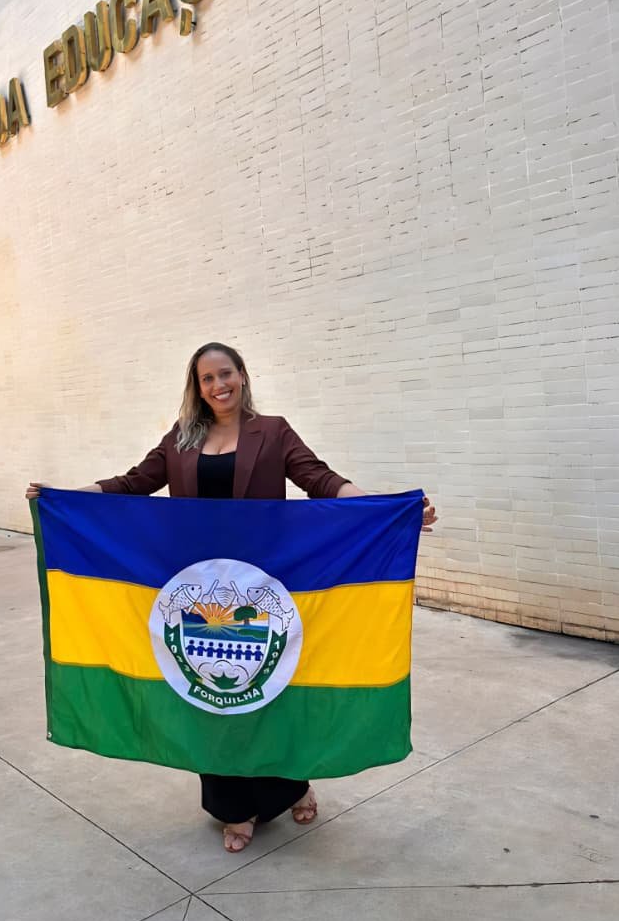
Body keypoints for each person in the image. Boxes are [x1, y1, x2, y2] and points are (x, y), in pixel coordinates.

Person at [27, 341, 436, 853]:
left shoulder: (274, 431)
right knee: (210, 697)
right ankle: (234, 810)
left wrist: (383, 509)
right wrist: (66, 497)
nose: (218, 385)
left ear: (242, 375)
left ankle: (293, 788)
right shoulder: (180, 437)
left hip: (262, 588)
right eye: (207, 379)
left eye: (226, 374)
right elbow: (135, 482)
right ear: (197, 388)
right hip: (197, 591)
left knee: (268, 692)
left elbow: (319, 478)